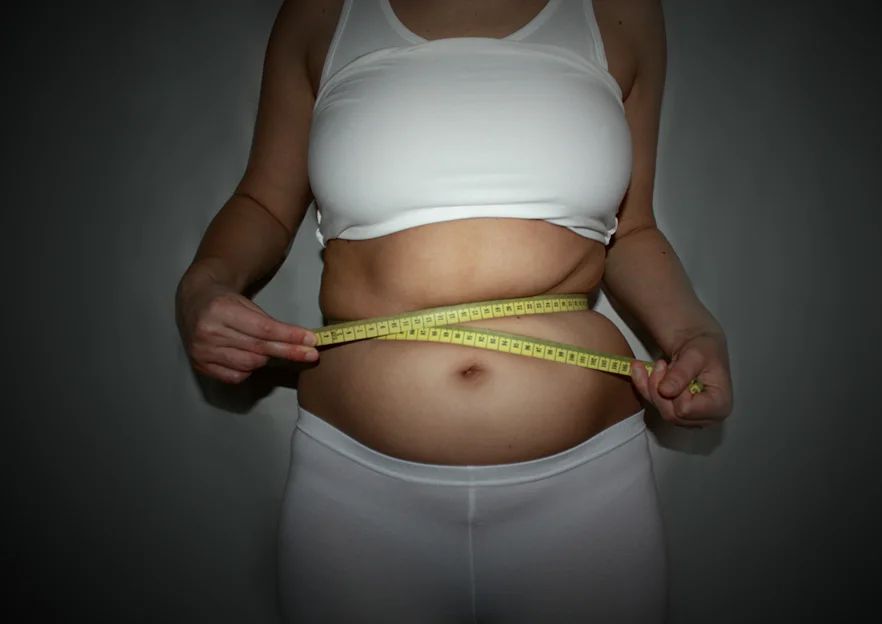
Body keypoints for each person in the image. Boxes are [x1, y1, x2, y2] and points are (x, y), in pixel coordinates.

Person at [175, 0, 733, 621]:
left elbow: (632, 230)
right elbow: (265, 202)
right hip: (354, 495)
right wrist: (204, 284)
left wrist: (693, 331)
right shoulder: (321, 13)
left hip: (589, 489)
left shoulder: (620, 13)